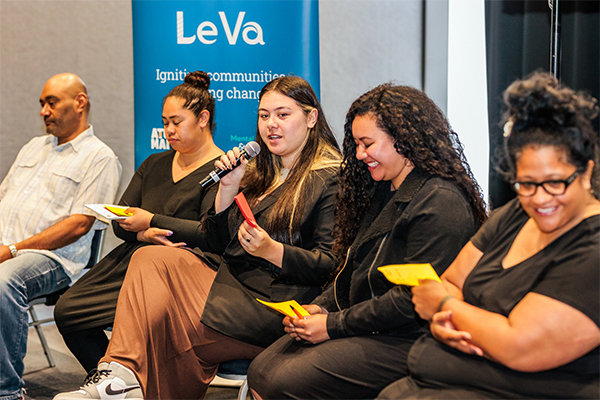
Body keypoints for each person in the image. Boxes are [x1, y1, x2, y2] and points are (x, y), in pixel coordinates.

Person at [53, 75, 342, 400]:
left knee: (160, 308)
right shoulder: (263, 170)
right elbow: (218, 239)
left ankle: (121, 381)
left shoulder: (328, 176)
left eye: (282, 114)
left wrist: (272, 250)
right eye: (264, 115)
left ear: (311, 117)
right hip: (233, 285)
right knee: (150, 261)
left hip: (271, 303)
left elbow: (328, 266)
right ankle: (120, 378)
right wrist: (229, 187)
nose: (270, 125)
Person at [247, 84, 488, 399]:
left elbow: (408, 301)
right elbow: (351, 271)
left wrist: (334, 325)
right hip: (366, 324)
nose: (360, 155)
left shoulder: (441, 202)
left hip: (410, 338)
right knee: (260, 370)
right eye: (357, 144)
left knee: (284, 381)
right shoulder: (382, 191)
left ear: (404, 139)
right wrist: (318, 309)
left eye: (367, 144)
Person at [378, 72, 599, 399]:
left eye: (555, 182)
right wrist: (446, 318)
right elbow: (451, 280)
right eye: (527, 184)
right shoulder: (516, 214)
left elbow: (519, 345)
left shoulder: (592, 249)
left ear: (587, 173)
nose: (540, 198)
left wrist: (442, 305)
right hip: (441, 378)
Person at [53, 70, 224, 373]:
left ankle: (127, 381)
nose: (169, 130)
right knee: (68, 313)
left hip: (181, 270)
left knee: (144, 325)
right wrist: (143, 234)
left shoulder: (223, 170)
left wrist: (151, 219)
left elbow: (210, 234)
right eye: (164, 122)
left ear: (203, 119)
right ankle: (112, 378)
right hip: (132, 259)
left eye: (176, 122)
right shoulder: (154, 164)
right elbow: (119, 219)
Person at [0, 73, 121, 400]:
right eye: (42, 104)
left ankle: (7, 393)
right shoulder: (33, 148)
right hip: (6, 247)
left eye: (51, 102)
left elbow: (79, 224)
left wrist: (12, 249)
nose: (44, 111)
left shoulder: (100, 158)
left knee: (3, 281)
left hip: (54, 258)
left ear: (80, 103)